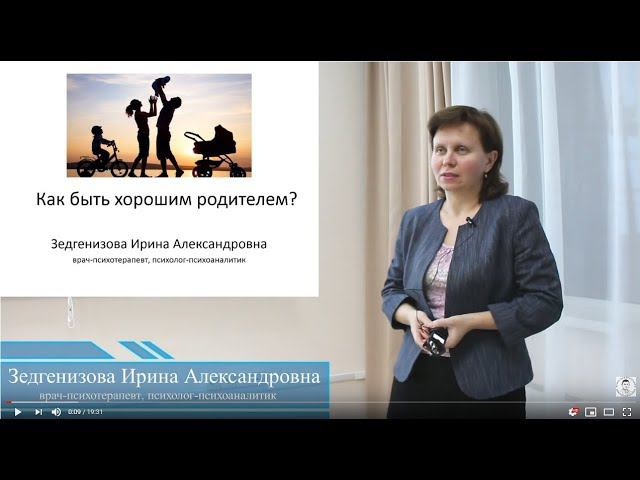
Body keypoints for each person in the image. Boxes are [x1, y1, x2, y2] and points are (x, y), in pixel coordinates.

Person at [381, 105, 563, 419]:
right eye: (440, 149)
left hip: (489, 382)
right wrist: (411, 316)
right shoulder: (415, 220)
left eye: (461, 149)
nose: (447, 159)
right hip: (416, 377)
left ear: (489, 160)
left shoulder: (514, 216)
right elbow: (391, 290)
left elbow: (545, 301)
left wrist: (470, 322)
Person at [155, 85, 184, 177]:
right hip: (163, 132)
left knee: (166, 153)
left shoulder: (169, 106)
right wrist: (158, 88)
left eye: (173, 98)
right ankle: (167, 172)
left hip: (163, 132)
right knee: (163, 154)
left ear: (174, 103)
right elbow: (163, 97)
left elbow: (163, 96)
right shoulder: (170, 106)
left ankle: (177, 170)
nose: (171, 98)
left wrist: (159, 86)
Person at [125, 97, 157, 177]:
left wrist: (154, 103)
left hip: (143, 135)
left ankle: (141, 173)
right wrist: (152, 103)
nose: (140, 102)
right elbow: (152, 113)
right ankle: (133, 172)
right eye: (139, 102)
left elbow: (154, 114)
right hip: (143, 136)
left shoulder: (140, 113)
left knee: (144, 155)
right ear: (137, 105)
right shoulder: (139, 114)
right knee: (142, 155)